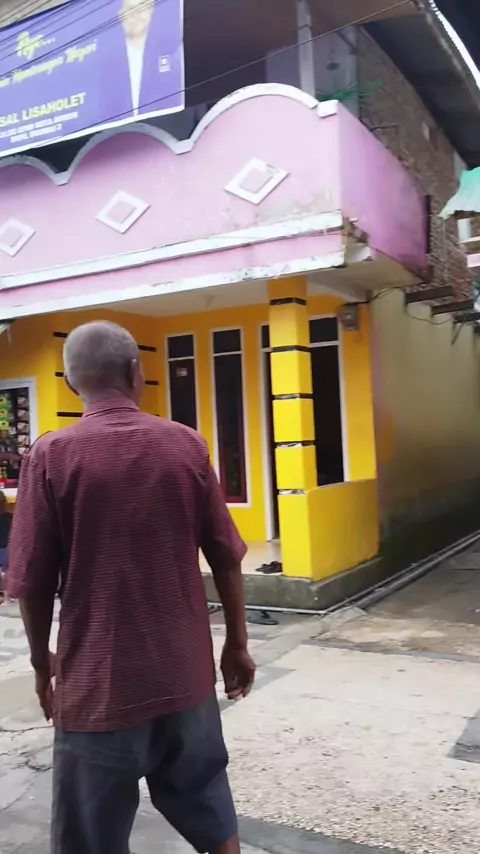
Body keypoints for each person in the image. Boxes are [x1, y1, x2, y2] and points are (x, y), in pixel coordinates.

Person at [6, 320, 255, 854]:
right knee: (209, 804)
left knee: (89, 839)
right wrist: (236, 643)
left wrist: (42, 663)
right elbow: (227, 554)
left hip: (99, 689)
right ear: (136, 372)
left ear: (71, 383)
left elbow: (31, 581)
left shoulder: (51, 456)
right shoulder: (186, 444)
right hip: (185, 678)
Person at [98, 0, 184, 123]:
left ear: (150, 12)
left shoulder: (171, 50)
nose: (134, 15)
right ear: (120, 14)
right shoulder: (108, 66)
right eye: (129, 9)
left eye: (141, 9)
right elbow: (105, 115)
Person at [0, 490, 12, 605]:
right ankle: (6, 598)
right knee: (4, 573)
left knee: (4, 573)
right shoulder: (9, 517)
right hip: (7, 547)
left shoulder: (8, 517)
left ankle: (7, 598)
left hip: (4, 547)